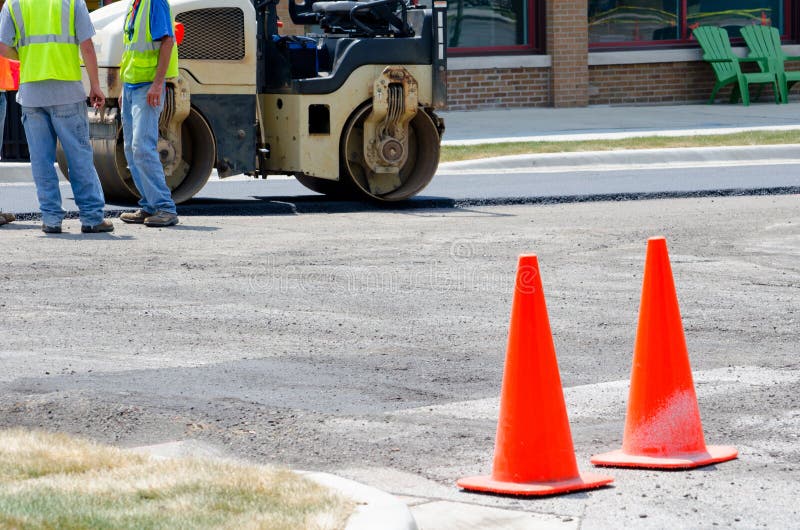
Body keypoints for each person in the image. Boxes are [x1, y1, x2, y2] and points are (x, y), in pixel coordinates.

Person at [0, 0, 113, 234]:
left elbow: (3, 47)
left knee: (41, 160)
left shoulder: (14, 4)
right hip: (66, 91)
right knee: (78, 156)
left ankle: (51, 218)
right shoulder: (73, 2)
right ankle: (92, 217)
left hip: (31, 92)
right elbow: (87, 46)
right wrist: (95, 85)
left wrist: (29, 57)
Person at [118, 0, 179, 227]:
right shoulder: (135, 5)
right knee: (131, 149)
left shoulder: (154, 3)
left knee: (142, 147)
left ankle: (165, 208)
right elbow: (130, 51)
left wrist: (157, 84)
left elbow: (167, 42)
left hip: (147, 86)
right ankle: (150, 205)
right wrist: (124, 86)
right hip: (132, 86)